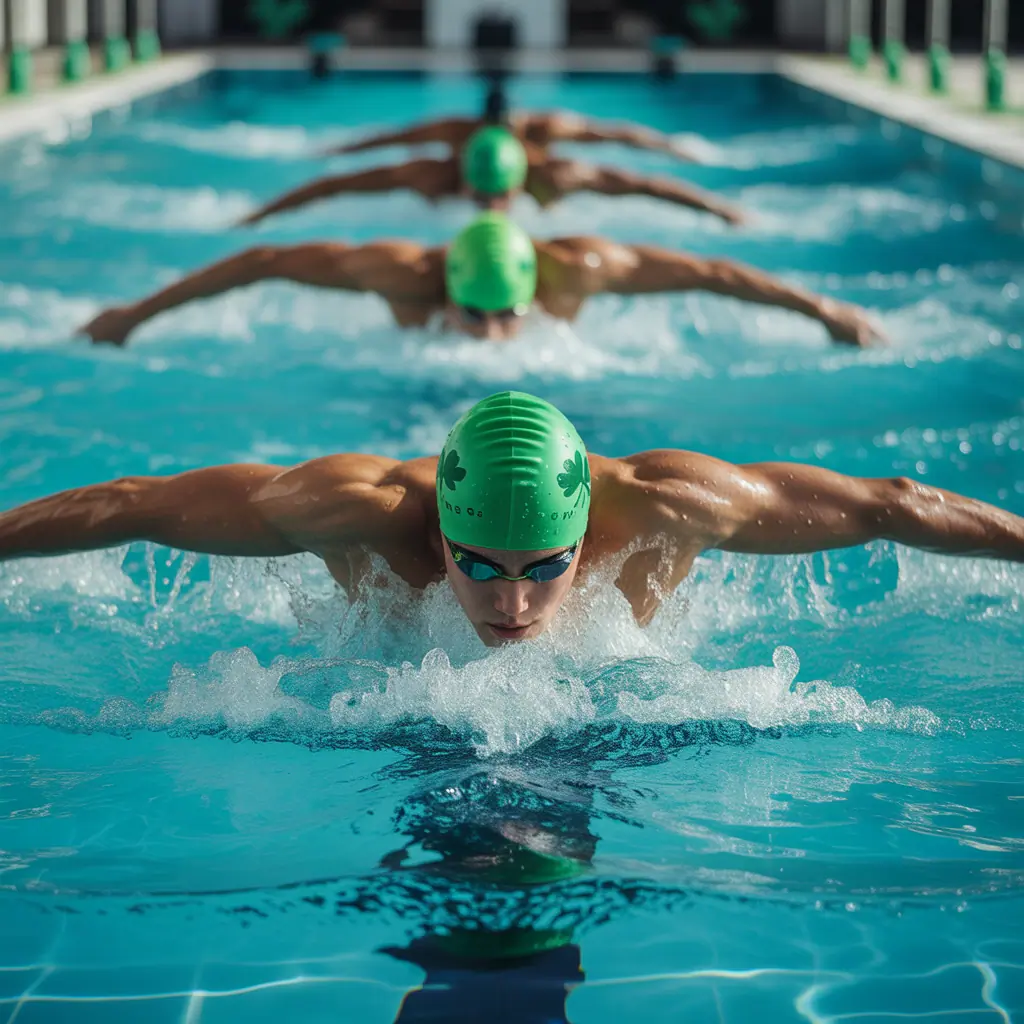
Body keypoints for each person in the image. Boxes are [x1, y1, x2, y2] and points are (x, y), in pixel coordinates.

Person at [2, 392, 1021, 648]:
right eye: (475, 562)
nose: (514, 601)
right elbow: (126, 504)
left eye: (548, 565)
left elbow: (895, 507)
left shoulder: (672, 505)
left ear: (590, 528)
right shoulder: (349, 510)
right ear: (434, 528)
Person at [81, 212, 880, 346]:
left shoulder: (582, 268)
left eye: (508, 317)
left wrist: (821, 309)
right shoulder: (401, 273)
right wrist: (136, 313)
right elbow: (262, 262)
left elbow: (710, 272)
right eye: (477, 315)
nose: (495, 336)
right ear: (446, 289)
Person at [241, 126, 746, 227]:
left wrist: (720, 210)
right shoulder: (427, 172)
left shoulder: (561, 172)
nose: (490, 207)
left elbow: (645, 184)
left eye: (498, 196)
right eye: (478, 195)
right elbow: (336, 184)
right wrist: (260, 213)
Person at [323, 106, 702, 163]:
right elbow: (394, 138)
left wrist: (669, 147)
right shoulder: (455, 131)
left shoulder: (548, 128)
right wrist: (340, 150)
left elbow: (615, 134)